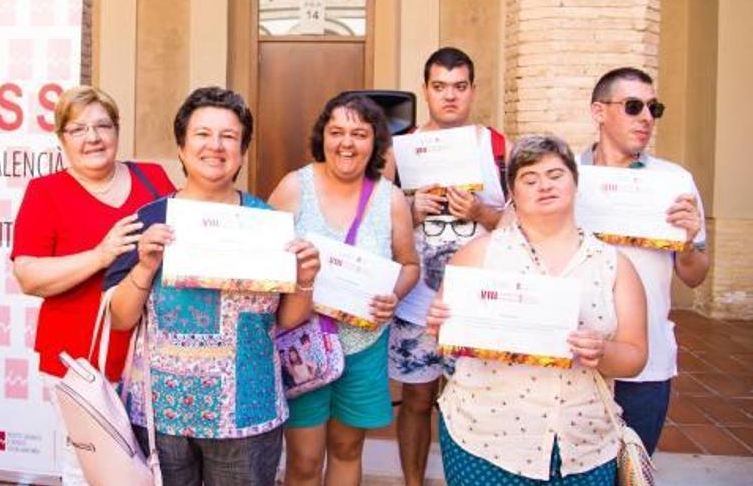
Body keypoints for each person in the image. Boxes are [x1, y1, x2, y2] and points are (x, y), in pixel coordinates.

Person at [106, 86, 320, 486]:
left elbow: (287, 320)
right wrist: (145, 266)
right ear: (183, 148)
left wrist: (305, 280)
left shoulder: (268, 224)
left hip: (245, 412)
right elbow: (119, 319)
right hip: (160, 413)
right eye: (203, 134)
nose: (215, 146)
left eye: (229, 136)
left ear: (242, 151)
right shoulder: (148, 219)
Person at [427, 134, 648, 485]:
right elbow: (445, 332)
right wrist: (440, 323)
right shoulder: (478, 255)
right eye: (529, 179)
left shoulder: (613, 265)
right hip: (486, 440)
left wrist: (602, 351)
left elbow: (635, 356)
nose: (544, 185)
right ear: (512, 194)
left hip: (584, 445)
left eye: (555, 174)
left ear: (576, 183)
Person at [11, 85, 175, 485]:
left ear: (117, 131)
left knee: (153, 464)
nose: (93, 138)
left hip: (153, 354)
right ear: (61, 139)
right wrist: (101, 255)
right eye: (79, 129)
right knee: (90, 468)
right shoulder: (45, 192)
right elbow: (29, 277)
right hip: (79, 357)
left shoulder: (151, 178)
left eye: (103, 126)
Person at [269, 92, 420, 486]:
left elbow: (409, 265)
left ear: (375, 142)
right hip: (302, 344)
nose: (347, 143)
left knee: (348, 449)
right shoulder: (294, 187)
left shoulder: (390, 199)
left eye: (359, 133)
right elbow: (264, 260)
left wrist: (395, 294)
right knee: (303, 460)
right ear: (323, 137)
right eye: (336, 132)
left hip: (363, 345)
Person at [383, 46, 511, 486]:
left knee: (476, 402)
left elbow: (524, 222)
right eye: (440, 87)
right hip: (417, 303)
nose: (450, 97)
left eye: (459, 87)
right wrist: (408, 211)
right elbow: (375, 219)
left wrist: (481, 212)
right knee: (416, 401)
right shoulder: (400, 151)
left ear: (473, 90)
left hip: (477, 303)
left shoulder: (496, 147)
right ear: (426, 90)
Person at [581, 67, 709, 455]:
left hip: (648, 361)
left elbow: (695, 276)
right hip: (576, 354)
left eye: (654, 108)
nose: (646, 118)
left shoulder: (674, 181)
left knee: (634, 468)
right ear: (599, 112)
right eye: (633, 106)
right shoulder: (566, 174)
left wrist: (687, 244)